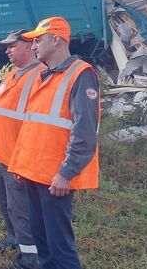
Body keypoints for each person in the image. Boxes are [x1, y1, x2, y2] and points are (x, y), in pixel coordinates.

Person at [8, 17, 100, 269]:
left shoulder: (81, 75)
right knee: (43, 245)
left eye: (38, 40)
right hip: (34, 173)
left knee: (61, 250)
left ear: (56, 39)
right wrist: (20, 166)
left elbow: (85, 133)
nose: (33, 46)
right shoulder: (44, 75)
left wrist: (66, 173)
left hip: (55, 179)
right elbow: (32, 128)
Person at [0, 30, 42, 269]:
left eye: (13, 45)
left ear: (30, 46)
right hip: (3, 153)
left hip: (19, 157)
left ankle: (31, 260)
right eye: (6, 47)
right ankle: (13, 238)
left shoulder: (41, 76)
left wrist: (25, 157)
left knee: (22, 211)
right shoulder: (12, 75)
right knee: (7, 205)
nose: (8, 50)